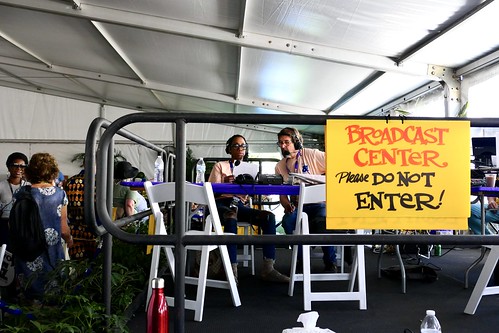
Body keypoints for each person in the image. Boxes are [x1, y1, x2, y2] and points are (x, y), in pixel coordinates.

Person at [208, 134, 289, 283]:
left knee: (268, 217)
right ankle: (231, 270)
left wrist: (253, 184)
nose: (240, 149)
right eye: (236, 146)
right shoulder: (220, 165)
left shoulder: (249, 169)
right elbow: (211, 191)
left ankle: (268, 268)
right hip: (221, 203)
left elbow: (251, 194)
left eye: (243, 146)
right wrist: (226, 183)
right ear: (229, 149)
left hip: (239, 204)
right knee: (231, 216)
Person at [274, 127, 338, 272]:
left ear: (296, 142)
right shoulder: (280, 166)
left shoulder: (312, 154)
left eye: (286, 142)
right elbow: (282, 195)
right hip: (298, 206)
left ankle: (330, 260)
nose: (283, 146)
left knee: (323, 221)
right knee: (288, 221)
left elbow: (336, 164)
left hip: (319, 204)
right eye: (280, 143)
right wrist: (287, 205)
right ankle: (302, 258)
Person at [15, 152, 73, 302]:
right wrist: (69, 239)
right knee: (52, 292)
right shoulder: (60, 195)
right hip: (51, 250)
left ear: (29, 171)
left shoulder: (22, 192)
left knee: (28, 293)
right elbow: (64, 228)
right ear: (53, 171)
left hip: (27, 248)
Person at [0, 152, 29, 246]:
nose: (19, 169)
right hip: (4, 225)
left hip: (24, 225)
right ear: (9, 167)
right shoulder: (1, 186)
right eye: (15, 166)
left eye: (22, 166)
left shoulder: (29, 187)